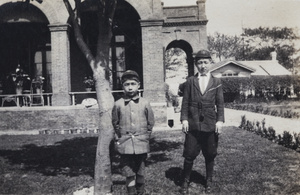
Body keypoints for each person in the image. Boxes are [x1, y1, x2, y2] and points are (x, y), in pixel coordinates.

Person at [180, 50, 225, 194]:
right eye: (200, 63)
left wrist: (219, 121)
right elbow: (185, 102)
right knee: (189, 153)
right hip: (193, 123)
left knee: (210, 153)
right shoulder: (190, 81)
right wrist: (184, 119)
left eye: (205, 62)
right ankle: (185, 181)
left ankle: (208, 181)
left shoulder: (216, 81)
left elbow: (220, 103)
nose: (203, 66)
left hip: (210, 123)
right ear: (196, 64)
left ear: (210, 63)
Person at [112, 70, 155, 195]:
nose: (130, 87)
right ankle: (131, 192)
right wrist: (120, 138)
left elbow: (150, 122)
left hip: (141, 144)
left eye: (133, 84)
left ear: (138, 85)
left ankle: (140, 192)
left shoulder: (145, 103)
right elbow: (115, 123)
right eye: (127, 84)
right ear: (123, 87)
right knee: (129, 172)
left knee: (140, 171)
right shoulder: (118, 104)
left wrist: (145, 137)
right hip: (125, 145)